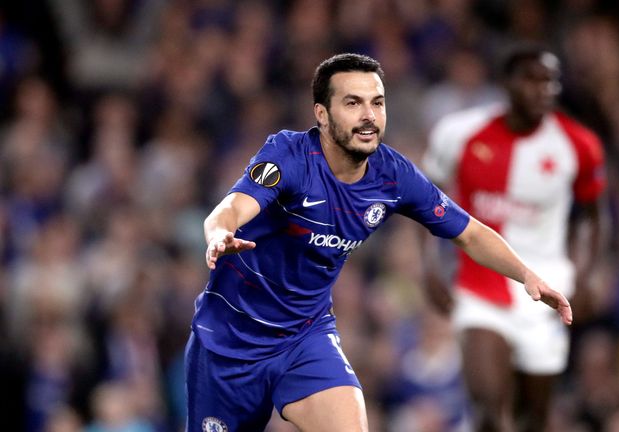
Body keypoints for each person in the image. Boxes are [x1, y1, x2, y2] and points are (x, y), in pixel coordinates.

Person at [186, 52, 572, 432]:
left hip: (304, 339)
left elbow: (469, 232)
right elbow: (232, 207)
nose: (369, 115)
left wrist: (525, 275)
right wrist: (220, 233)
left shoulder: (393, 176)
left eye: (377, 102)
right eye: (353, 103)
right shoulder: (289, 155)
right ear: (322, 114)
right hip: (229, 342)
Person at [422, 43, 607, 431]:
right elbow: (426, 202)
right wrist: (431, 268)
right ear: (506, 84)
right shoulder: (458, 134)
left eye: (551, 81)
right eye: (531, 80)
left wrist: (586, 275)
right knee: (489, 415)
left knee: (533, 420)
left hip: (548, 291)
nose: (543, 90)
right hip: (479, 287)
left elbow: (592, 216)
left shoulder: (579, 146)